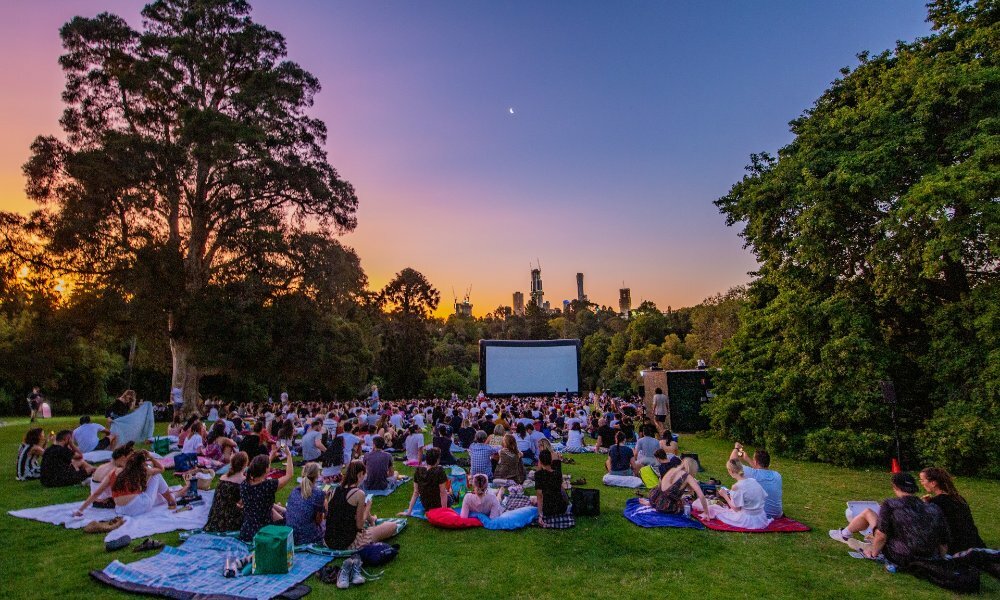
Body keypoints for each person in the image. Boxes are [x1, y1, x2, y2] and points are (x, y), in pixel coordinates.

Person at [830, 473, 949, 566]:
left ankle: (847, 535)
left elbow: (882, 535)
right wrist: (941, 559)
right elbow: (943, 540)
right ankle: (846, 535)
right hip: (930, 557)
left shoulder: (891, 504)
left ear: (895, 487)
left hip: (902, 555)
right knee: (869, 514)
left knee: (868, 514)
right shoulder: (933, 508)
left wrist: (874, 554)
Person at [75, 450, 186, 517]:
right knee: (156, 476)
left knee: (154, 492)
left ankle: (174, 495)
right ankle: (171, 499)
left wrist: (81, 509)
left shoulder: (113, 473)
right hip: (137, 506)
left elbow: (95, 494)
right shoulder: (142, 470)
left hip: (120, 510)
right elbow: (161, 469)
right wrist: (151, 457)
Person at [325, 460, 399, 550]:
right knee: (392, 526)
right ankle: (373, 523)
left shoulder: (334, 490)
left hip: (329, 540)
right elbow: (359, 526)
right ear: (360, 474)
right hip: (349, 542)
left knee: (370, 524)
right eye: (364, 475)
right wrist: (367, 507)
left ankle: (372, 520)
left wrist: (370, 519)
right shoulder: (358, 493)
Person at [919, 467, 984, 554]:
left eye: (923, 480)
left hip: (955, 548)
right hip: (974, 543)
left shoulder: (936, 503)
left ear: (933, 483)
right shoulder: (958, 499)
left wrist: (924, 506)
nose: (921, 483)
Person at [239, 449, 294, 541]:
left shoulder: (244, 484)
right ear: (265, 469)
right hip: (264, 531)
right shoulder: (268, 486)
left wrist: (271, 456)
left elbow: (261, 468)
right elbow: (289, 474)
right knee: (286, 523)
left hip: (247, 530)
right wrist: (289, 455)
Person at [705, 459, 772, 530]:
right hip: (760, 518)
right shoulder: (753, 481)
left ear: (730, 471)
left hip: (748, 520)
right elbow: (762, 496)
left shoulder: (736, 487)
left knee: (715, 510)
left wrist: (724, 495)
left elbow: (736, 509)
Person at [730, 443, 783, 518]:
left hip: (760, 515)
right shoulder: (777, 475)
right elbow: (760, 469)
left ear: (756, 462)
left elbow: (732, 462)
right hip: (776, 514)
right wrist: (747, 459)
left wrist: (736, 448)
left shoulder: (752, 474)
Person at [641, 457, 710, 515]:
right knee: (686, 505)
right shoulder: (687, 476)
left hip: (654, 498)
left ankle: (652, 504)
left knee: (680, 500)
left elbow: (661, 484)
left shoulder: (673, 470)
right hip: (666, 506)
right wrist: (706, 513)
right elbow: (701, 495)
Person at [285, 462, 328, 545]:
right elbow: (319, 521)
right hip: (307, 537)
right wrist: (325, 502)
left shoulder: (294, 491)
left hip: (290, 535)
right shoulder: (319, 494)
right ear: (317, 475)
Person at [205, 451, 248, 532]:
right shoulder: (243, 481)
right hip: (229, 520)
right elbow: (244, 502)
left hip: (215, 516)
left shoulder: (223, 477)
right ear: (245, 465)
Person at [401, 447, 450, 515]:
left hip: (426, 505)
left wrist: (409, 511)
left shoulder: (418, 471)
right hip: (438, 504)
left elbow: (416, 492)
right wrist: (444, 512)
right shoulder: (439, 471)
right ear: (437, 460)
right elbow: (443, 492)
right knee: (450, 494)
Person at [534, 449, 573, 529]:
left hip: (548, 510)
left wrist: (540, 515)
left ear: (540, 462)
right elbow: (561, 490)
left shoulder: (538, 475)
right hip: (561, 508)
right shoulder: (558, 474)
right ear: (551, 461)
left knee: (534, 499)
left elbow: (539, 496)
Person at [88, 442, 135, 508]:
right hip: (105, 502)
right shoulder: (115, 470)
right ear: (123, 458)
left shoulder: (102, 466)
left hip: (96, 501)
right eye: (128, 459)